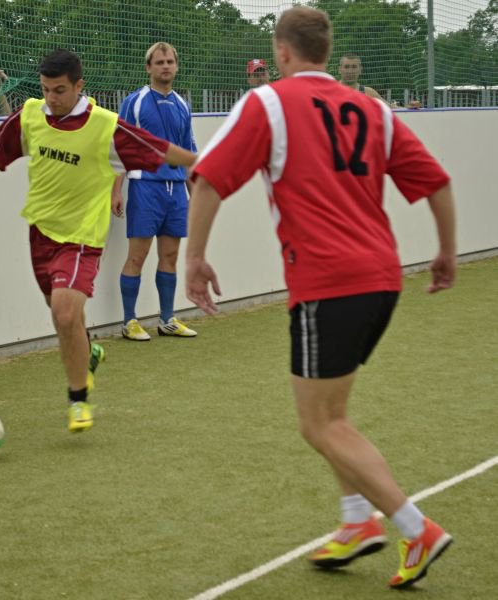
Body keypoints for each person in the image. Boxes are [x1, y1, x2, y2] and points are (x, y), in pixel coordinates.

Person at [185, 6, 456, 590]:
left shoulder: (268, 102)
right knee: (335, 415)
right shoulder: (372, 109)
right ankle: (357, 521)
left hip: (327, 284)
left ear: (282, 51)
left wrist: (194, 258)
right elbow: (436, 181)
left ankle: (416, 529)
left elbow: (207, 178)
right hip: (382, 279)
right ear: (328, 53)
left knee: (319, 424)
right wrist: (446, 252)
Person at [0, 49, 195, 433]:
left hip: (82, 239)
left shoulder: (104, 125)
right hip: (41, 234)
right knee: (66, 320)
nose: (51, 98)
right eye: (46, 89)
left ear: (79, 86)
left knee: (63, 312)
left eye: (59, 90)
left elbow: (156, 149)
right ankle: (88, 351)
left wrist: (198, 161)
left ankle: (78, 399)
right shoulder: (31, 115)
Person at [112, 42, 199, 341]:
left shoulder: (183, 104)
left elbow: (188, 154)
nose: (165, 66)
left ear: (177, 66)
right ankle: (129, 321)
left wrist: (195, 194)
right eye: (159, 62)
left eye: (170, 62)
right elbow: (119, 149)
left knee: (170, 255)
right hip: (145, 187)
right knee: (137, 256)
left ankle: (167, 319)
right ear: (148, 67)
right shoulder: (134, 102)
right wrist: (116, 191)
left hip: (176, 191)